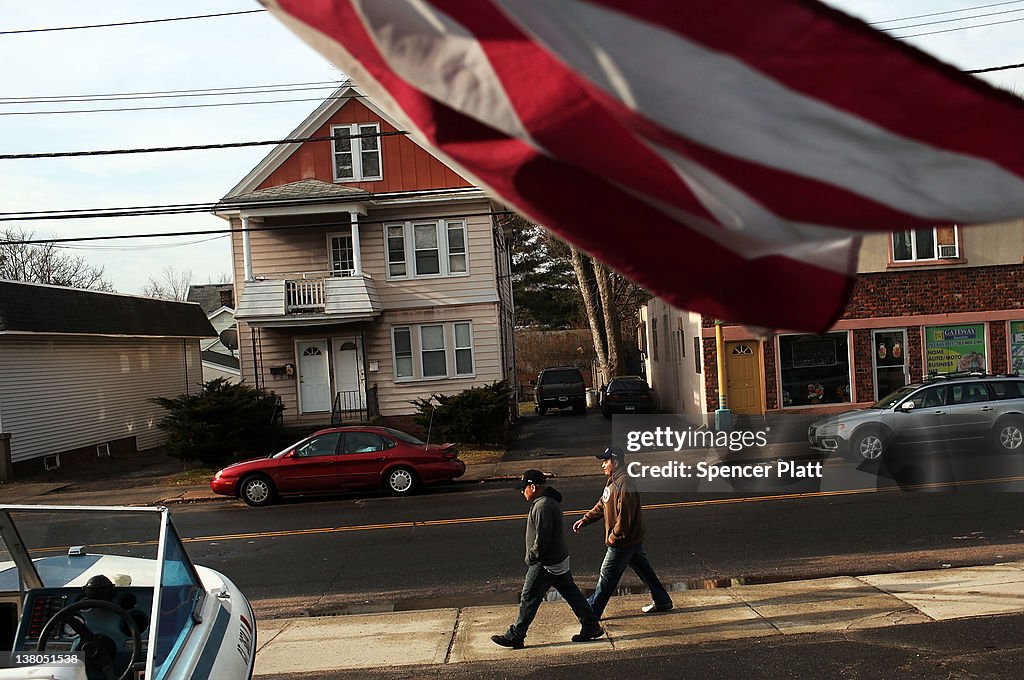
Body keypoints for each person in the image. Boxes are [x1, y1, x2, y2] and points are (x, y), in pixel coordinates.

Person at [491, 469, 604, 649]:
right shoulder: (547, 501)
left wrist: (531, 557)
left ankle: (516, 635)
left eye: (524, 488)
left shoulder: (543, 506)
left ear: (533, 487)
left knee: (529, 597)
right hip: (558, 559)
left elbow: (542, 539)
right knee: (573, 595)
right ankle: (591, 626)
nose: (522, 491)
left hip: (545, 563)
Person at [573, 447, 673, 618]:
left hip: (623, 541)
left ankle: (592, 611)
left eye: (606, 461)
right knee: (645, 572)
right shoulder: (613, 481)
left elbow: (625, 516)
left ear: (616, 462)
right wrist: (585, 519)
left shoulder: (625, 482)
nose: (603, 465)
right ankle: (662, 600)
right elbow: (602, 504)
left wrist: (614, 537)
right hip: (631, 541)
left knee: (607, 575)